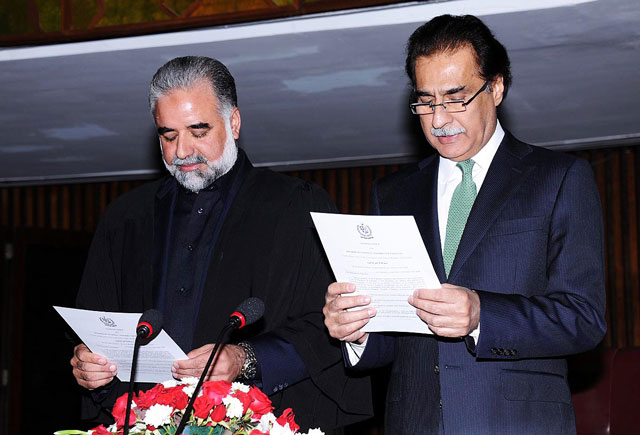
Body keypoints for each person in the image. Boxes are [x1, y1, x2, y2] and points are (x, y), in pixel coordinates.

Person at [323, 14, 606, 435]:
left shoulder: (559, 178)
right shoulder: (393, 193)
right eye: (426, 101)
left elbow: (584, 319)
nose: (438, 119)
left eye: (456, 98)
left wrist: (482, 315)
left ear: (496, 87)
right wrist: (357, 330)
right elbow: (395, 332)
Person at [69, 56, 371, 432]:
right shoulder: (125, 218)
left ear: (234, 123)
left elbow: (331, 326)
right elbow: (96, 327)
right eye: (168, 135)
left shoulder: (296, 206)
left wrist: (244, 358)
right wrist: (88, 364)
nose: (182, 151)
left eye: (198, 131)